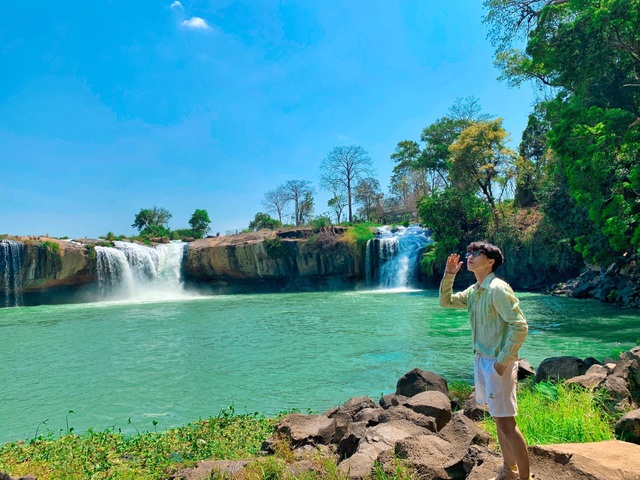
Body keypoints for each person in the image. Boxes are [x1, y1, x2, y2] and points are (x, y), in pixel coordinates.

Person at [439, 241, 532, 480]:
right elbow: (446, 301)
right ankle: (508, 471)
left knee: (508, 424)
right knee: (500, 420)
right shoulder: (475, 291)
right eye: (469, 253)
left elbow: (519, 326)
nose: (469, 256)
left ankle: (523, 477)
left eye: (476, 253)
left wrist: (502, 361)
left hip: (496, 363)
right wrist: (450, 274)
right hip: (483, 360)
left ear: (490, 261)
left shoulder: (497, 289)